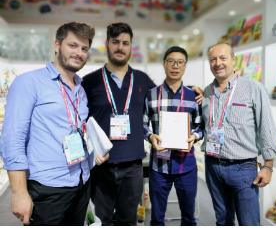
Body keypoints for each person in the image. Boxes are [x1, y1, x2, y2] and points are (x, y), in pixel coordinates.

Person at [0, 22, 105, 225]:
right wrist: (19, 193)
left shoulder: (80, 89)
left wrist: (94, 151)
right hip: (48, 189)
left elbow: (77, 131)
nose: (79, 53)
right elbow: (12, 139)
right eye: (73, 45)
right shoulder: (28, 83)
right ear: (57, 45)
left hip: (81, 183)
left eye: (84, 49)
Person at [83, 22, 156, 226]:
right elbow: (79, 123)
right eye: (115, 42)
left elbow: (163, 102)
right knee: (101, 221)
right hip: (100, 166)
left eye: (125, 43)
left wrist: (193, 92)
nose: (120, 47)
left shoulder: (143, 80)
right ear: (107, 44)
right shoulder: (90, 82)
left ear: (131, 46)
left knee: (128, 220)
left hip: (133, 167)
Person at [201, 42, 276, 226]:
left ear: (234, 61)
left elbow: (266, 127)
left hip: (243, 169)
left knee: (248, 222)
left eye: (222, 58)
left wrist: (268, 166)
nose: (217, 63)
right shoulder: (206, 92)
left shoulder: (253, 88)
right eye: (213, 59)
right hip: (213, 166)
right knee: (223, 220)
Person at [143, 46, 203, 226]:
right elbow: (143, 123)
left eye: (180, 62)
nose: (175, 66)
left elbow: (200, 126)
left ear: (185, 66)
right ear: (164, 64)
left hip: (186, 166)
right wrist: (151, 136)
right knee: (156, 218)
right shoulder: (151, 94)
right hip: (159, 166)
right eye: (171, 61)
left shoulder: (194, 96)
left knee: (188, 218)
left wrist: (195, 136)